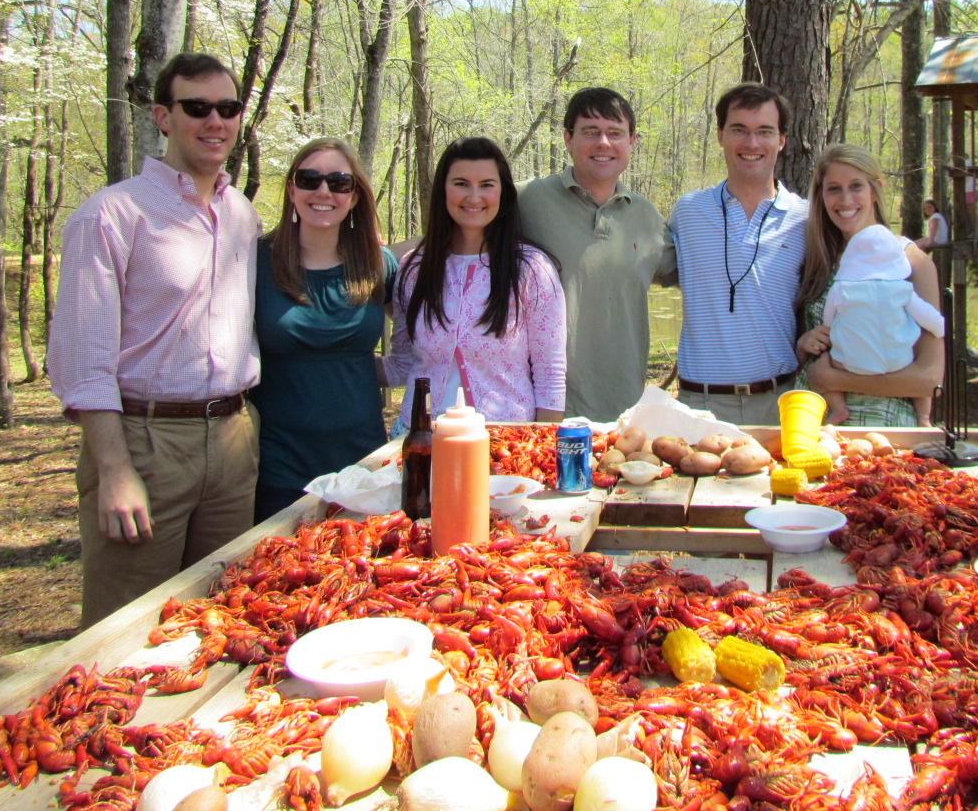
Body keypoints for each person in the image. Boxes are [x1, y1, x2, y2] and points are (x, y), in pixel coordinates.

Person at [47, 52, 260, 627]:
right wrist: (114, 468)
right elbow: (81, 361)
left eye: (227, 108)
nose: (215, 121)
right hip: (146, 441)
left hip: (235, 439)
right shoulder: (112, 216)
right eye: (197, 108)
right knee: (129, 627)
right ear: (164, 116)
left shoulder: (241, 214)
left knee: (224, 613)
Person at [249, 139, 397, 522]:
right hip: (278, 466)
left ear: (355, 197)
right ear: (291, 189)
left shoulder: (378, 265)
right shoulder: (256, 262)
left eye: (339, 183)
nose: (323, 191)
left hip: (362, 467)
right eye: (310, 179)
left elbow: (429, 339)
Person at [518, 88, 676, 421]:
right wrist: (382, 262)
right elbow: (451, 242)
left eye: (615, 133)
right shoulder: (525, 201)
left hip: (625, 413)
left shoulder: (647, 218)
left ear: (632, 141)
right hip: (542, 413)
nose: (603, 143)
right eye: (590, 131)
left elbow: (704, 278)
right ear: (567, 138)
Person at [385, 137, 566, 425]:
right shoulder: (415, 268)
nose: (473, 197)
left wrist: (542, 443)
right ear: (443, 189)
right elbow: (403, 364)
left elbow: (550, 374)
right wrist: (322, 363)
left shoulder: (531, 268)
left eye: (486, 185)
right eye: (460, 183)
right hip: (420, 439)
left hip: (503, 444)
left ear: (503, 193)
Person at [668, 84, 809, 422]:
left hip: (779, 404)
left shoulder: (806, 219)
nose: (752, 143)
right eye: (739, 130)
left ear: (782, 140)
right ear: (720, 136)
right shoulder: (689, 212)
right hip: (698, 406)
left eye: (764, 131)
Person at [792, 144, 945, 427]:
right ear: (821, 196)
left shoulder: (911, 262)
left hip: (886, 429)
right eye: (833, 189)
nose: (845, 199)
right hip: (815, 425)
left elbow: (929, 379)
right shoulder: (818, 260)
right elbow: (805, 358)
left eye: (856, 186)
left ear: (875, 190)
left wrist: (834, 378)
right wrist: (804, 345)